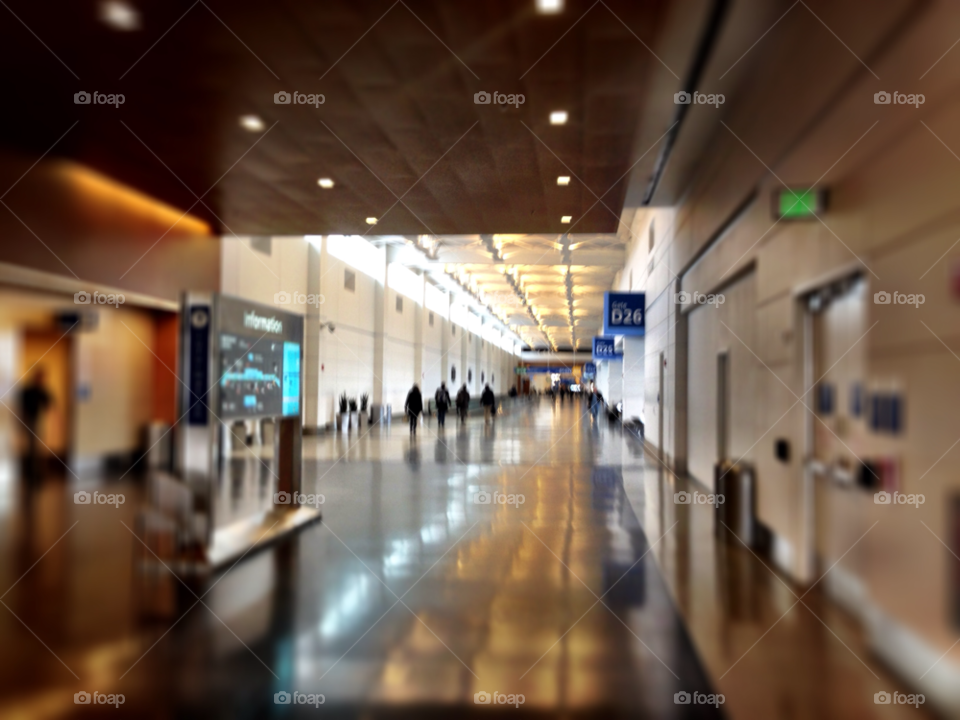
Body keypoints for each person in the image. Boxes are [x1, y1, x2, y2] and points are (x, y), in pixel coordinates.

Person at [19, 368, 52, 482]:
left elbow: (48, 405)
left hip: (39, 420)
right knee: (32, 446)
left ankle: (37, 470)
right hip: (30, 420)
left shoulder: (42, 391)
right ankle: (31, 471)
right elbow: (23, 407)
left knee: (38, 446)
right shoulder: (28, 390)